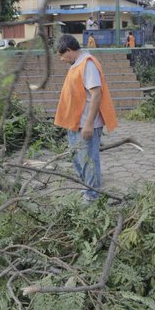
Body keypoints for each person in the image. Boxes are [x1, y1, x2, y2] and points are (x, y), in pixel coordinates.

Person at [54, 34, 118, 204]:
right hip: (75, 123)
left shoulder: (87, 64)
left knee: (89, 160)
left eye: (62, 55)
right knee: (78, 159)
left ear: (69, 50)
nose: (61, 59)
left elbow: (96, 94)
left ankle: (92, 197)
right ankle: (87, 190)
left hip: (86, 124)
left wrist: (89, 124)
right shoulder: (77, 64)